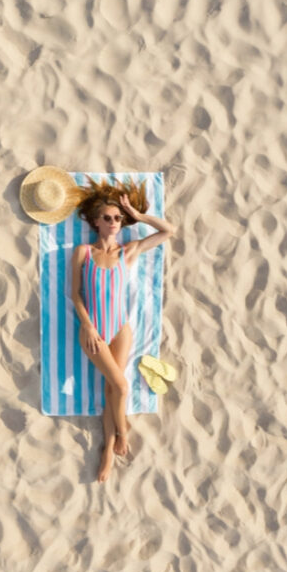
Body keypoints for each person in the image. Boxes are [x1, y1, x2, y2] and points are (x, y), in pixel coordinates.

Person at [70, 177, 176, 482]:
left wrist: (139, 216)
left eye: (118, 218)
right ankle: (122, 433)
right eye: (108, 218)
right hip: (95, 332)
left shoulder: (127, 253)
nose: (114, 222)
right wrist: (88, 326)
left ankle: (106, 451)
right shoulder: (83, 253)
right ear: (95, 222)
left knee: (111, 388)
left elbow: (169, 231)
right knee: (123, 386)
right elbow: (75, 294)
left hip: (121, 329)